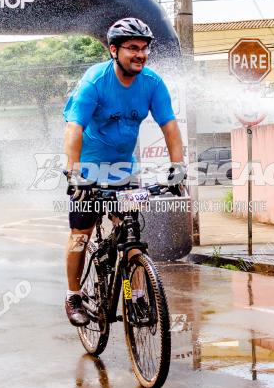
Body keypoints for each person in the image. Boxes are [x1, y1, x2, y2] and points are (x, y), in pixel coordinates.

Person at [61, 17, 185, 326]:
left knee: (131, 232)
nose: (140, 55)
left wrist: (178, 168)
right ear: (114, 50)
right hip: (88, 165)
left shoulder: (152, 84)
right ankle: (73, 295)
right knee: (81, 234)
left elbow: (169, 126)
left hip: (123, 169)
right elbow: (74, 127)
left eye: (144, 49)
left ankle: (136, 296)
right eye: (133, 48)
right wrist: (74, 173)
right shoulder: (95, 81)